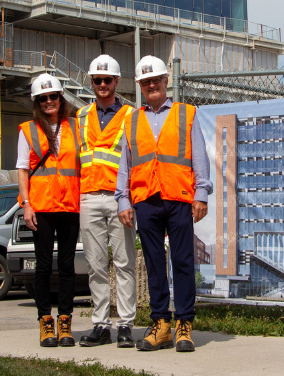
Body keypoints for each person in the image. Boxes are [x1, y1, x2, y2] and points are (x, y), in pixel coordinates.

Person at [115, 55, 212, 352]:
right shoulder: (131, 119)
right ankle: (160, 324)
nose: (151, 85)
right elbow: (125, 163)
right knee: (155, 263)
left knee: (182, 261)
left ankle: (184, 324)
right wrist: (123, 200)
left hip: (179, 197)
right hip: (146, 200)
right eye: (145, 82)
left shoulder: (187, 114)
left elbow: (199, 157)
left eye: (155, 80)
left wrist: (201, 194)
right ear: (140, 87)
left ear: (166, 81)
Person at [75, 55, 137, 348]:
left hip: (118, 199)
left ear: (117, 82)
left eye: (107, 80)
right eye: (97, 80)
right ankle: (101, 325)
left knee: (124, 263)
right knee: (96, 266)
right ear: (91, 82)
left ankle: (125, 324)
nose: (102, 85)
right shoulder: (81, 116)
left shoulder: (131, 115)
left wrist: (129, 199)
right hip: (88, 197)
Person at [16, 73, 81, 348]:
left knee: (67, 267)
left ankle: (65, 321)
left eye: (53, 96)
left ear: (60, 98)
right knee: (43, 267)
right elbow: (22, 169)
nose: (48, 102)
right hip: (41, 207)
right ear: (37, 103)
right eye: (42, 99)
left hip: (69, 206)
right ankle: (46, 322)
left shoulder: (77, 127)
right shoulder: (28, 130)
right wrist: (26, 204)